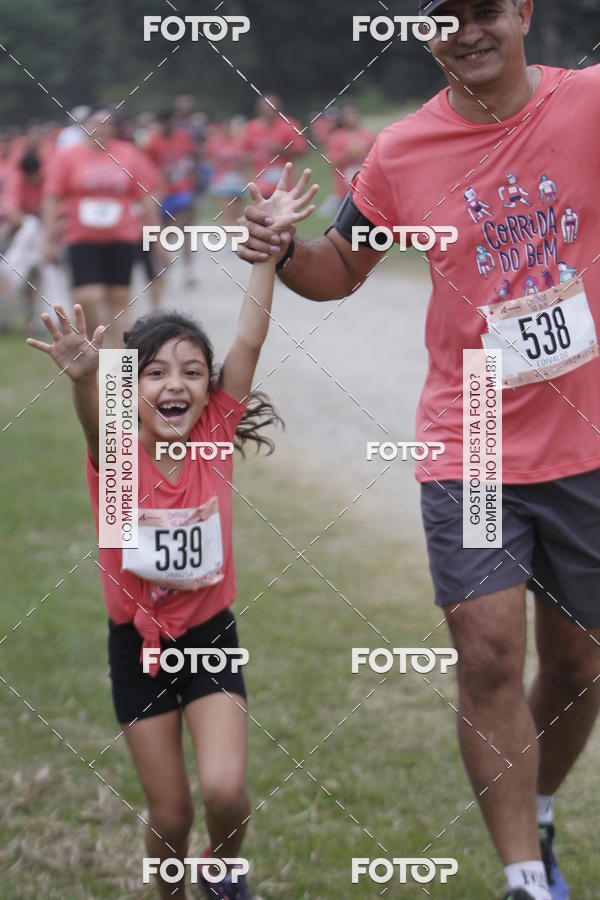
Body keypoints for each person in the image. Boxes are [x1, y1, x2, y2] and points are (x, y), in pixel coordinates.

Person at [235, 3, 600, 899]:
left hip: (587, 432)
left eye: (483, 10)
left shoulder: (589, 104)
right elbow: (338, 269)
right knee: (485, 656)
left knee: (580, 663)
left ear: (522, 13)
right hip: (471, 430)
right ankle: (525, 879)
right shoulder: (403, 151)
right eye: (443, 19)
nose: (465, 31)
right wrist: (283, 250)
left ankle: (540, 806)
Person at [27, 165, 318, 900]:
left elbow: (252, 332)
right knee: (170, 810)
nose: (176, 384)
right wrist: (88, 378)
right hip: (138, 649)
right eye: (155, 373)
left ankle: (223, 875)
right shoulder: (118, 457)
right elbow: (98, 421)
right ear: (134, 391)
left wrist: (271, 246)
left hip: (211, 635)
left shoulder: (216, 430)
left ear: (209, 387)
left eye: (192, 370)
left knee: (223, 792)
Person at [43, 109, 160, 344]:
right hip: (81, 237)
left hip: (122, 236)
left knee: (119, 299)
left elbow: (146, 197)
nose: (102, 128)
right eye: (96, 123)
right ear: (84, 126)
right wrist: (50, 239)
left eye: (108, 124)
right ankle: (94, 344)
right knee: (87, 296)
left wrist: (156, 235)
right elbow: (52, 198)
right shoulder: (68, 157)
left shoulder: (128, 155)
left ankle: (118, 371)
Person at [144, 110, 197, 285]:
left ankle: (188, 270)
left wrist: (191, 175)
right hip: (162, 192)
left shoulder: (183, 137)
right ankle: (164, 260)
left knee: (185, 226)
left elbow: (190, 159)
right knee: (166, 231)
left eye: (169, 122)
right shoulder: (152, 143)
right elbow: (145, 167)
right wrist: (160, 174)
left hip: (182, 190)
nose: (167, 126)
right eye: (163, 123)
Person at [241, 96, 308, 198]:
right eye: (265, 108)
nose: (268, 111)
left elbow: (302, 150)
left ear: (278, 108)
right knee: (265, 213)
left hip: (285, 183)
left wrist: (281, 150)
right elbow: (244, 152)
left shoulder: (289, 125)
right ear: (258, 110)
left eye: (271, 107)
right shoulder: (251, 127)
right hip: (261, 183)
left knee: (283, 213)